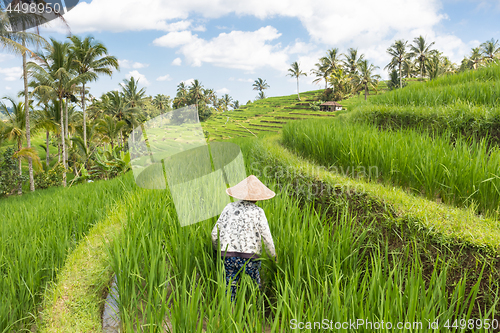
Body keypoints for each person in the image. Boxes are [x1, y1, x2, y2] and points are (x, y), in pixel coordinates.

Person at [211, 175, 277, 301]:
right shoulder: (259, 212)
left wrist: (216, 251)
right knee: (254, 289)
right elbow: (267, 239)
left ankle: (229, 313)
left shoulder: (228, 208)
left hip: (228, 256)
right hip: (250, 259)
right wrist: (273, 258)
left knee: (229, 289)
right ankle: (254, 312)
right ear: (258, 198)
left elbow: (214, 234)